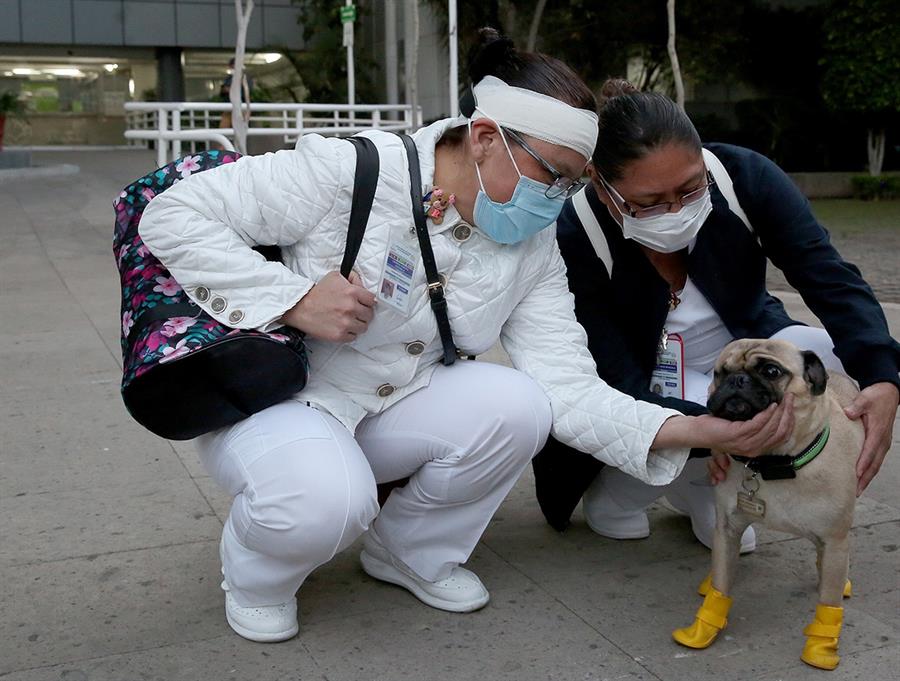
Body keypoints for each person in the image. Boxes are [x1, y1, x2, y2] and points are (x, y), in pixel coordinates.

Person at [138, 33, 794, 643]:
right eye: (553, 176)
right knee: (327, 501)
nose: (560, 198)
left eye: (575, 183)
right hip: (281, 395)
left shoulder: (533, 246)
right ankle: (255, 574)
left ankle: (408, 550)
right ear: (484, 138)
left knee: (521, 405)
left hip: (394, 403)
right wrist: (294, 299)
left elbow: (566, 386)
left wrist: (695, 430)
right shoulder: (351, 172)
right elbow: (173, 214)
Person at [532, 79, 900, 549]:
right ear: (601, 186)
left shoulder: (743, 177)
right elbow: (614, 376)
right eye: (649, 203)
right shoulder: (576, 233)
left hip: (742, 350)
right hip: (647, 377)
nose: (677, 210)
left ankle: (713, 478)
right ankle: (627, 492)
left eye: (691, 188)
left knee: (835, 360)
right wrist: (709, 431)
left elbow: (829, 277)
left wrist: (883, 377)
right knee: (682, 432)